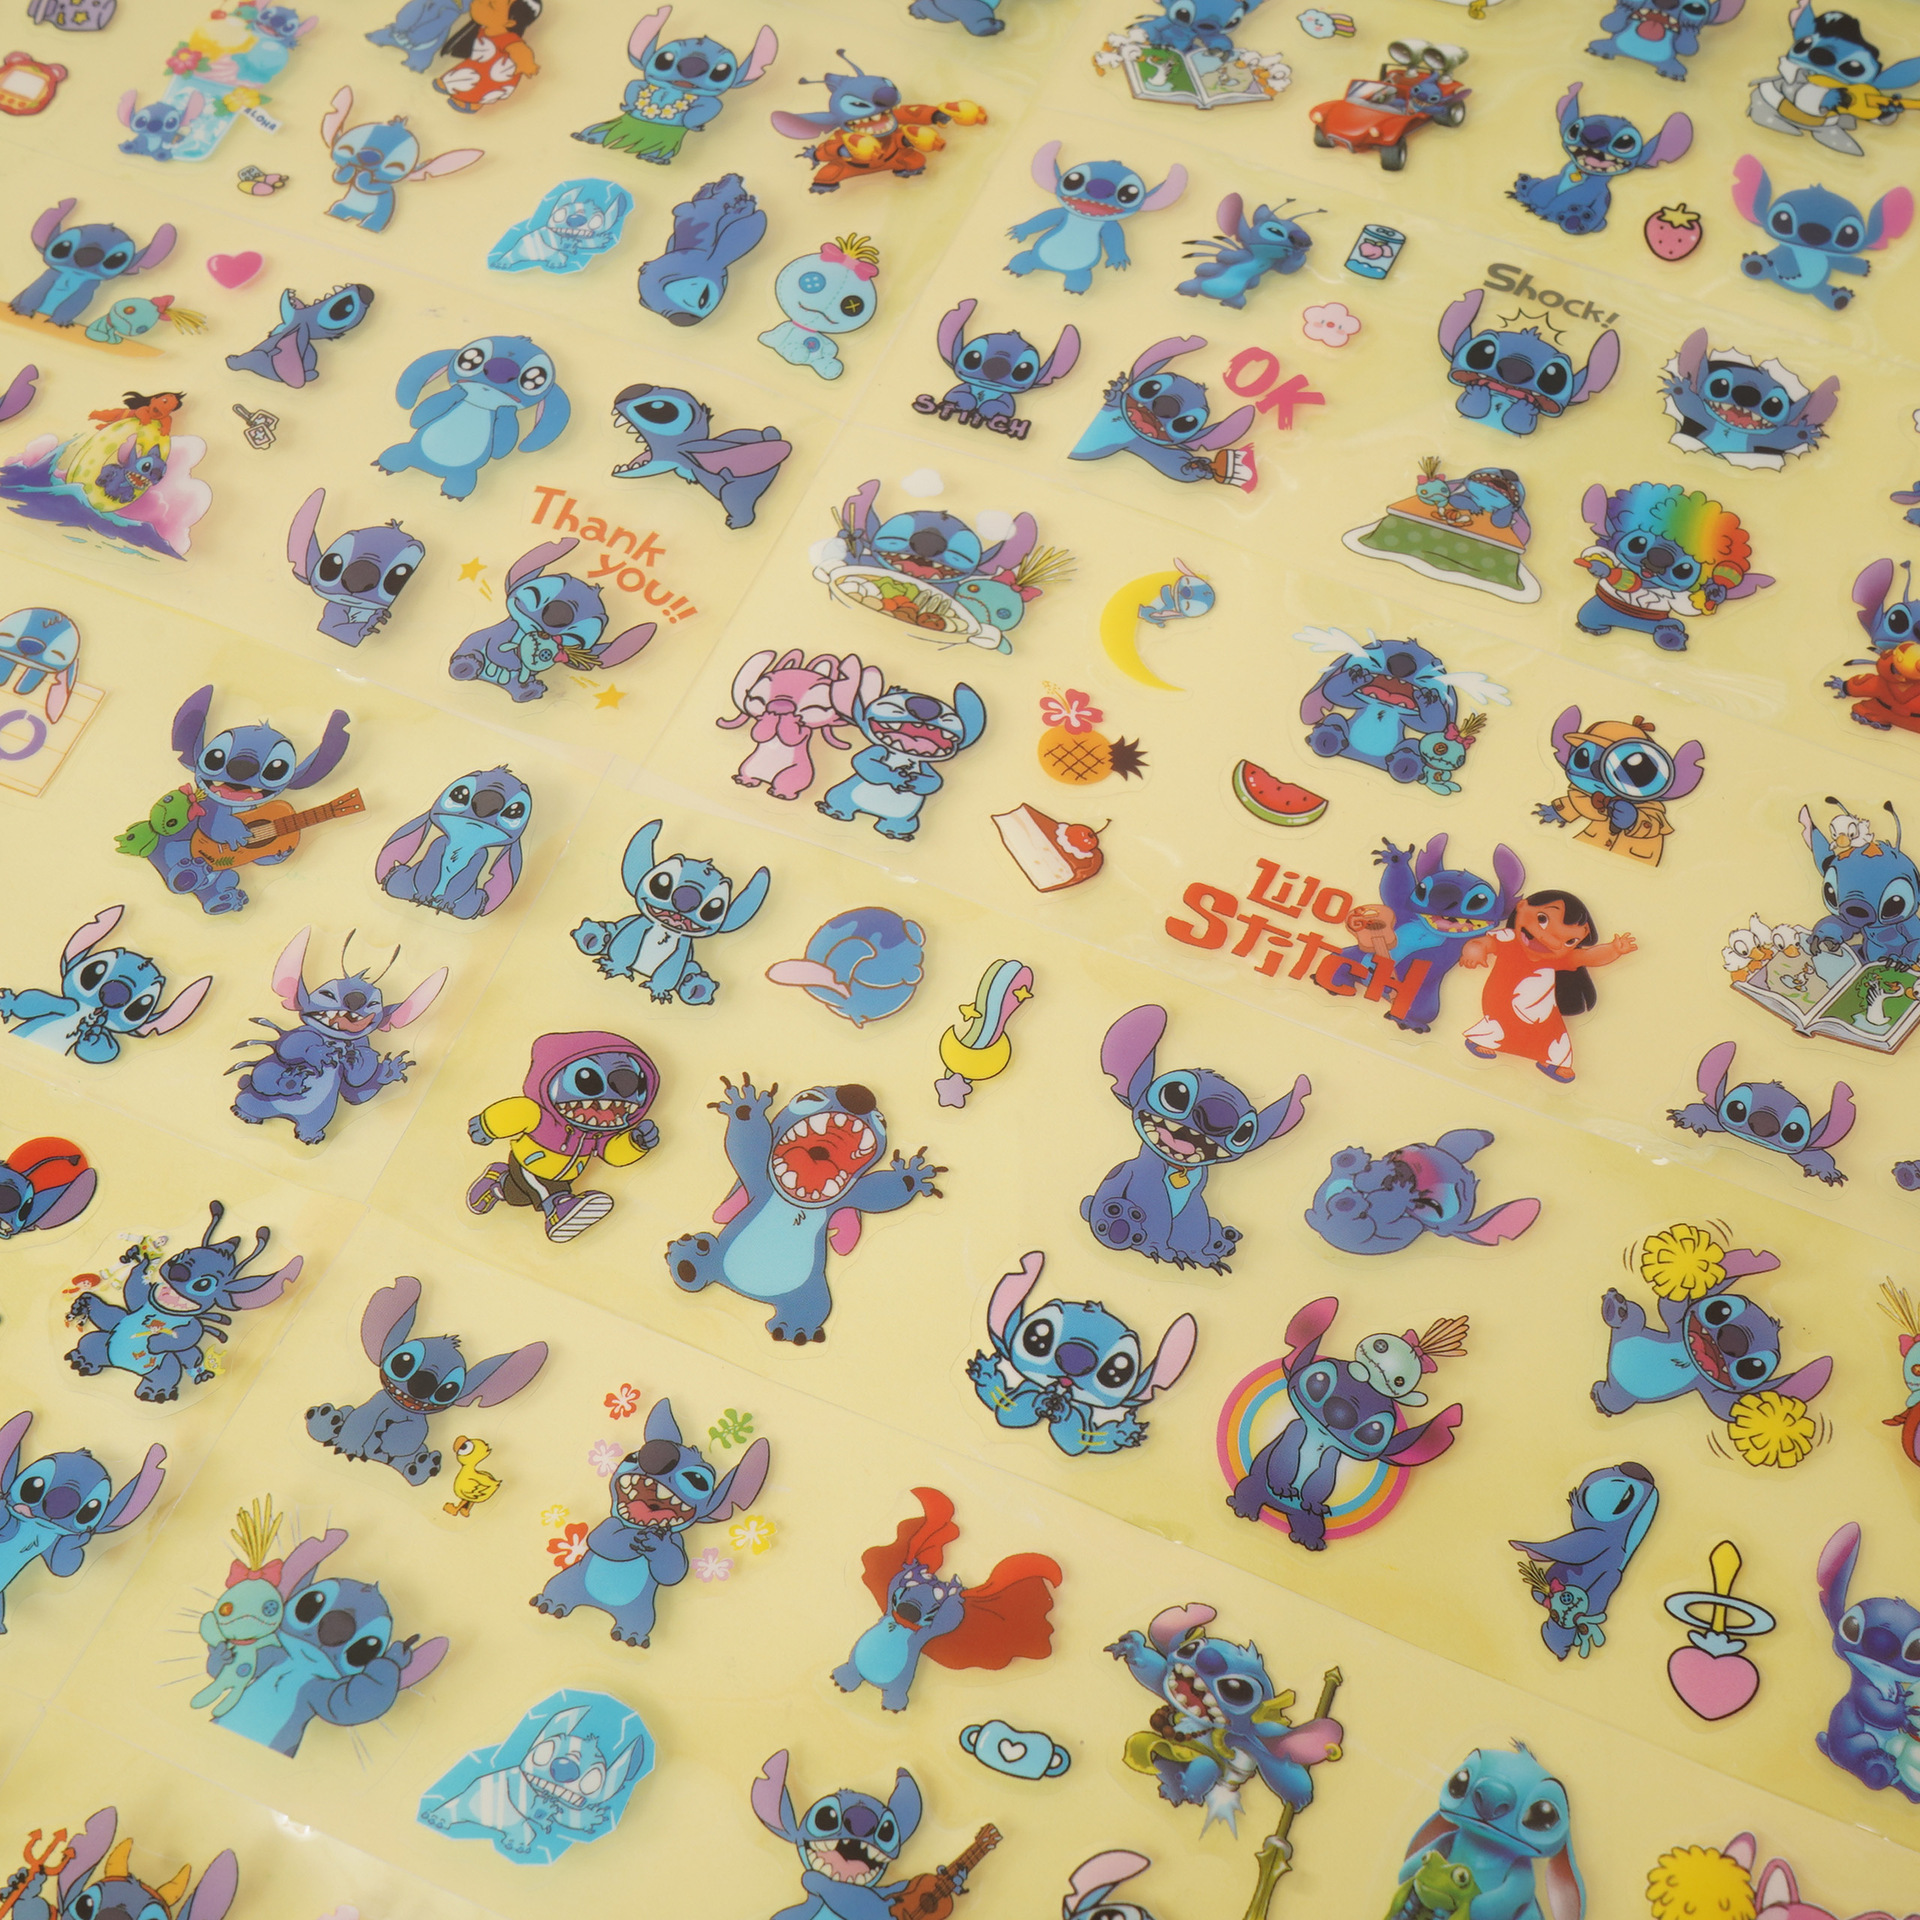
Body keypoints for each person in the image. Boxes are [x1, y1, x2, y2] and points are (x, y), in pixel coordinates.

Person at [1459, 889, 1636, 1082]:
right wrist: (1474, 950)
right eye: (1542, 919)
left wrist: (1614, 949)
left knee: (1554, 1036)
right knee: (1497, 1025)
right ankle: (1481, 1040)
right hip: (1501, 1005)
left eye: (1569, 941)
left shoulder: (1558, 958)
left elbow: (1588, 956)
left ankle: (1553, 1062)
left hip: (1543, 1015)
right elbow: (1482, 942)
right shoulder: (1509, 940)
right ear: (1522, 906)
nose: (1550, 940)